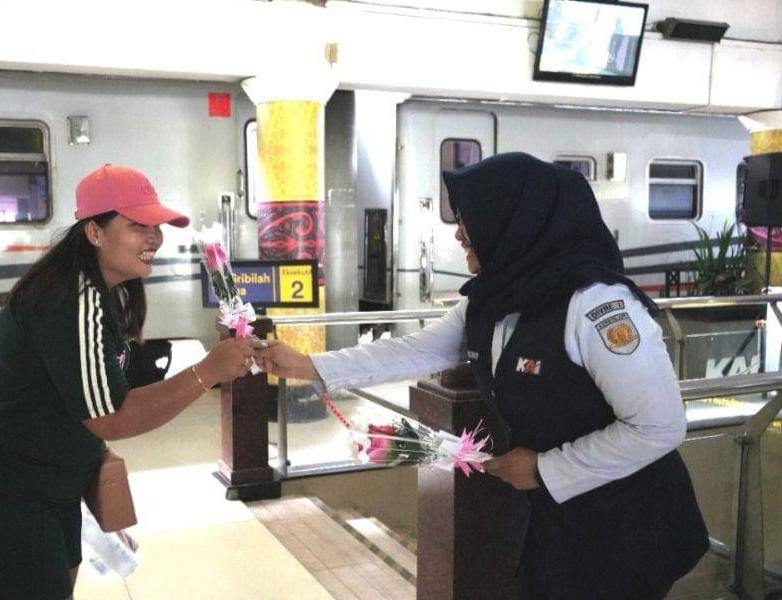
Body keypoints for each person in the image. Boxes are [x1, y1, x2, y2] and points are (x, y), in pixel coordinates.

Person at [255, 152, 708, 599]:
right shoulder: (493, 298)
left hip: (630, 528)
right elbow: (418, 350)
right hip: (558, 520)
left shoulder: (596, 304)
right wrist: (310, 365)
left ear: (515, 222)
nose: (458, 233)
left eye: (470, 219)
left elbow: (660, 426)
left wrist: (545, 469)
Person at [0, 164, 258, 600]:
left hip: (45, 485)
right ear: (94, 232)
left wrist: (95, 498)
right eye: (137, 225)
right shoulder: (71, 299)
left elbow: (84, 397)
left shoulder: (106, 291)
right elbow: (110, 417)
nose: (154, 237)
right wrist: (208, 371)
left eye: (157, 226)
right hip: (0, 493)